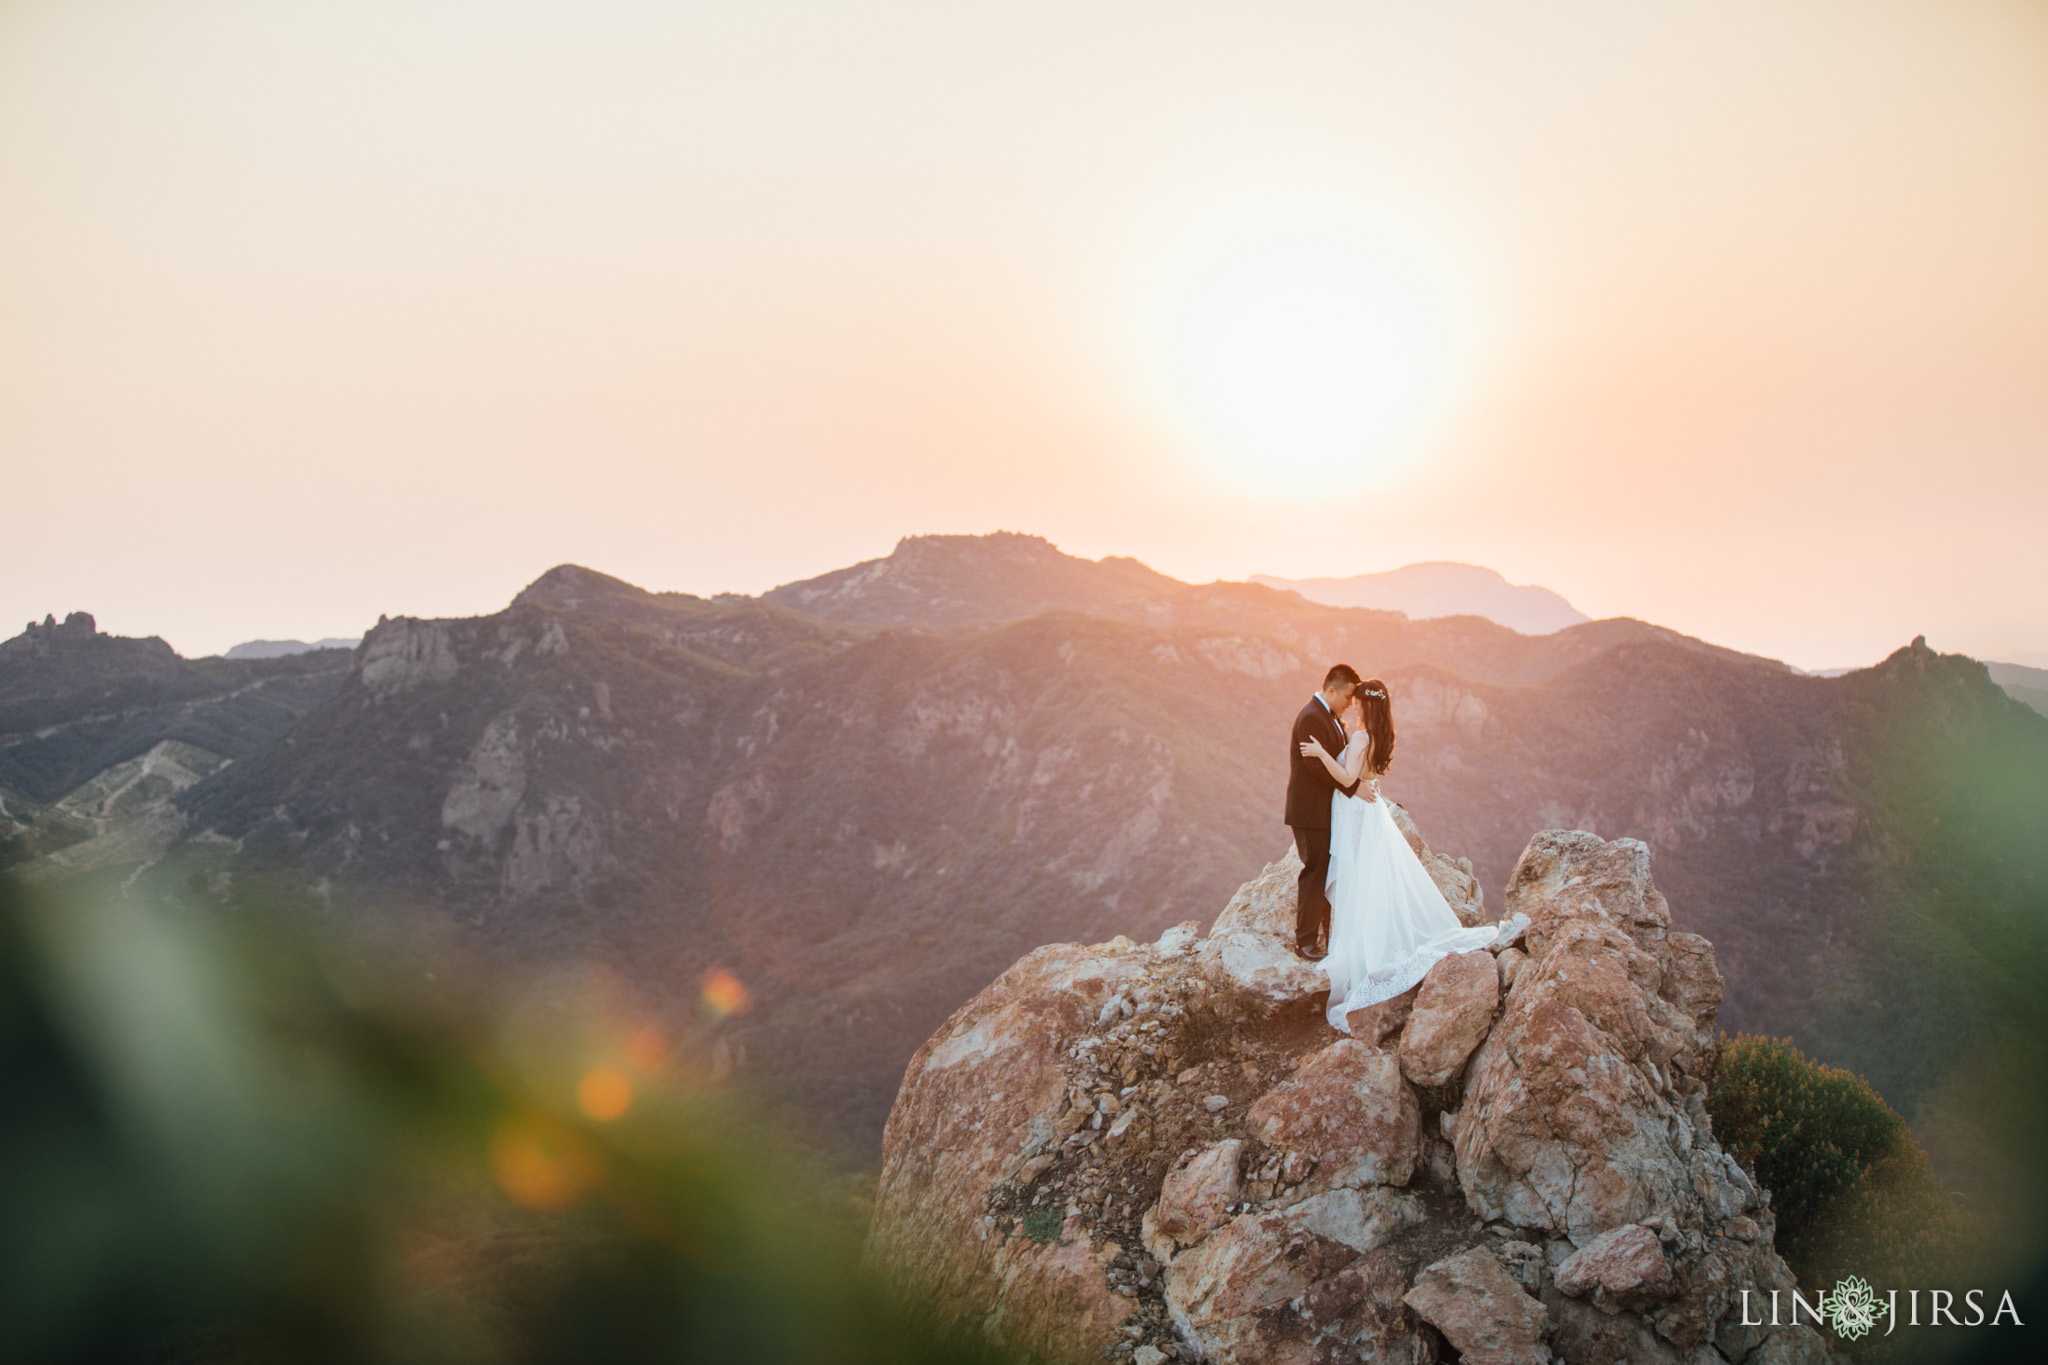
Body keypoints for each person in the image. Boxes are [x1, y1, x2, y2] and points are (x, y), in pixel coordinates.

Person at [1298, 677, 1498, 1031]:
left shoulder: (1360, 737)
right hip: (1370, 813)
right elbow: (1363, 779)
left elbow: (1346, 776)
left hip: (1355, 815)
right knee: (1369, 877)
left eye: (1357, 701)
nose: (1353, 705)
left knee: (1357, 880)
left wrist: (1320, 754)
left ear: (1364, 705)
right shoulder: (1379, 737)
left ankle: (1362, 952)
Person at [1284, 664, 1370, 959]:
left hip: (1326, 810)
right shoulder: (1310, 718)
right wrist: (1353, 787)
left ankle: (1327, 935)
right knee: (1314, 872)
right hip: (1309, 812)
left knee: (1326, 871)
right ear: (1331, 690)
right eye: (1347, 697)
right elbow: (1316, 766)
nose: (1349, 704)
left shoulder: (1331, 717)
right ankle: (1304, 942)